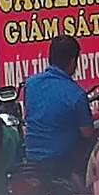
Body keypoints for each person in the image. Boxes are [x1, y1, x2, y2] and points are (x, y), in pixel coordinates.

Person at [23, 35, 94, 185]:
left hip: (32, 158)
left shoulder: (30, 84)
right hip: (61, 163)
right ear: (73, 61)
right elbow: (87, 133)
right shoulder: (76, 94)